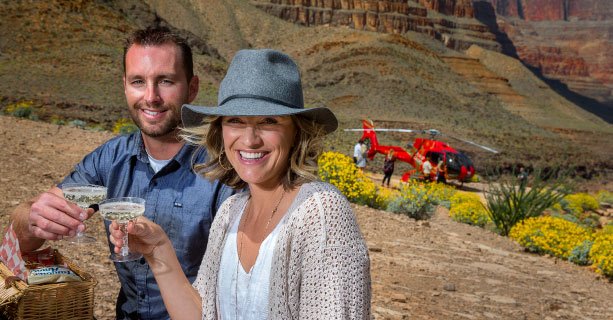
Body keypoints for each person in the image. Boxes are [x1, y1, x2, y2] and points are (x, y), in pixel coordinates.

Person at [109, 49, 371, 319]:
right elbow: (202, 315)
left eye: (269, 121)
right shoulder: (231, 212)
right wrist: (157, 249)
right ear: (220, 131)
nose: (250, 140)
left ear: (297, 131)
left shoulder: (321, 213)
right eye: (236, 120)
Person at [9, 26, 234, 319]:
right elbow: (23, 235)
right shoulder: (110, 159)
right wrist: (32, 220)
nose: (151, 97)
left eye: (165, 81)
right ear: (125, 86)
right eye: (138, 81)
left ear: (191, 88)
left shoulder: (223, 170)